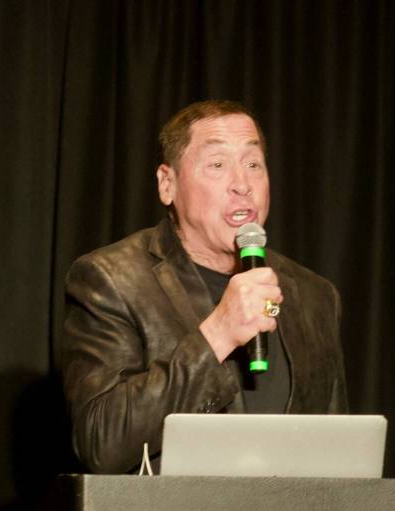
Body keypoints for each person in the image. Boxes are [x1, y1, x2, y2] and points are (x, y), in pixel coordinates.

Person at [62, 100, 347, 473]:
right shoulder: (111, 279)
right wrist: (217, 334)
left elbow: (340, 446)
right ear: (168, 184)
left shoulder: (314, 295)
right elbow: (102, 440)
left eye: (253, 164)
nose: (242, 185)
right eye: (217, 165)